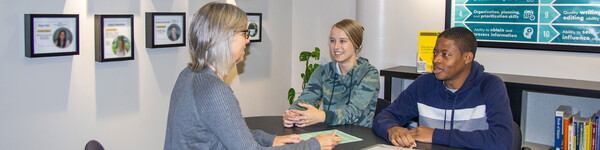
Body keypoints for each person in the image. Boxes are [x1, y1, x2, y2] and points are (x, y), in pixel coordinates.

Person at [163, 2, 341, 150]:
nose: (248, 40)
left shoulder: (189, 75)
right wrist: (314, 145)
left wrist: (270, 140)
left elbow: (230, 131)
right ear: (225, 37)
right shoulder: (214, 90)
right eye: (244, 33)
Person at [372, 27, 514, 149]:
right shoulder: (424, 84)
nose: (436, 60)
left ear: (467, 58)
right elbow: (384, 117)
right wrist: (392, 129)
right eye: (435, 53)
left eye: (445, 55)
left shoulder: (490, 86)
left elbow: (502, 141)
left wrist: (435, 135)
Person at [283, 19, 380, 128]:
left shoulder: (368, 73)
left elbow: (353, 113)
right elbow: (306, 100)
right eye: (332, 40)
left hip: (360, 136)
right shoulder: (322, 71)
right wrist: (293, 113)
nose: (336, 47)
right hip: (329, 135)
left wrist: (322, 116)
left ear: (356, 44)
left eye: (342, 41)